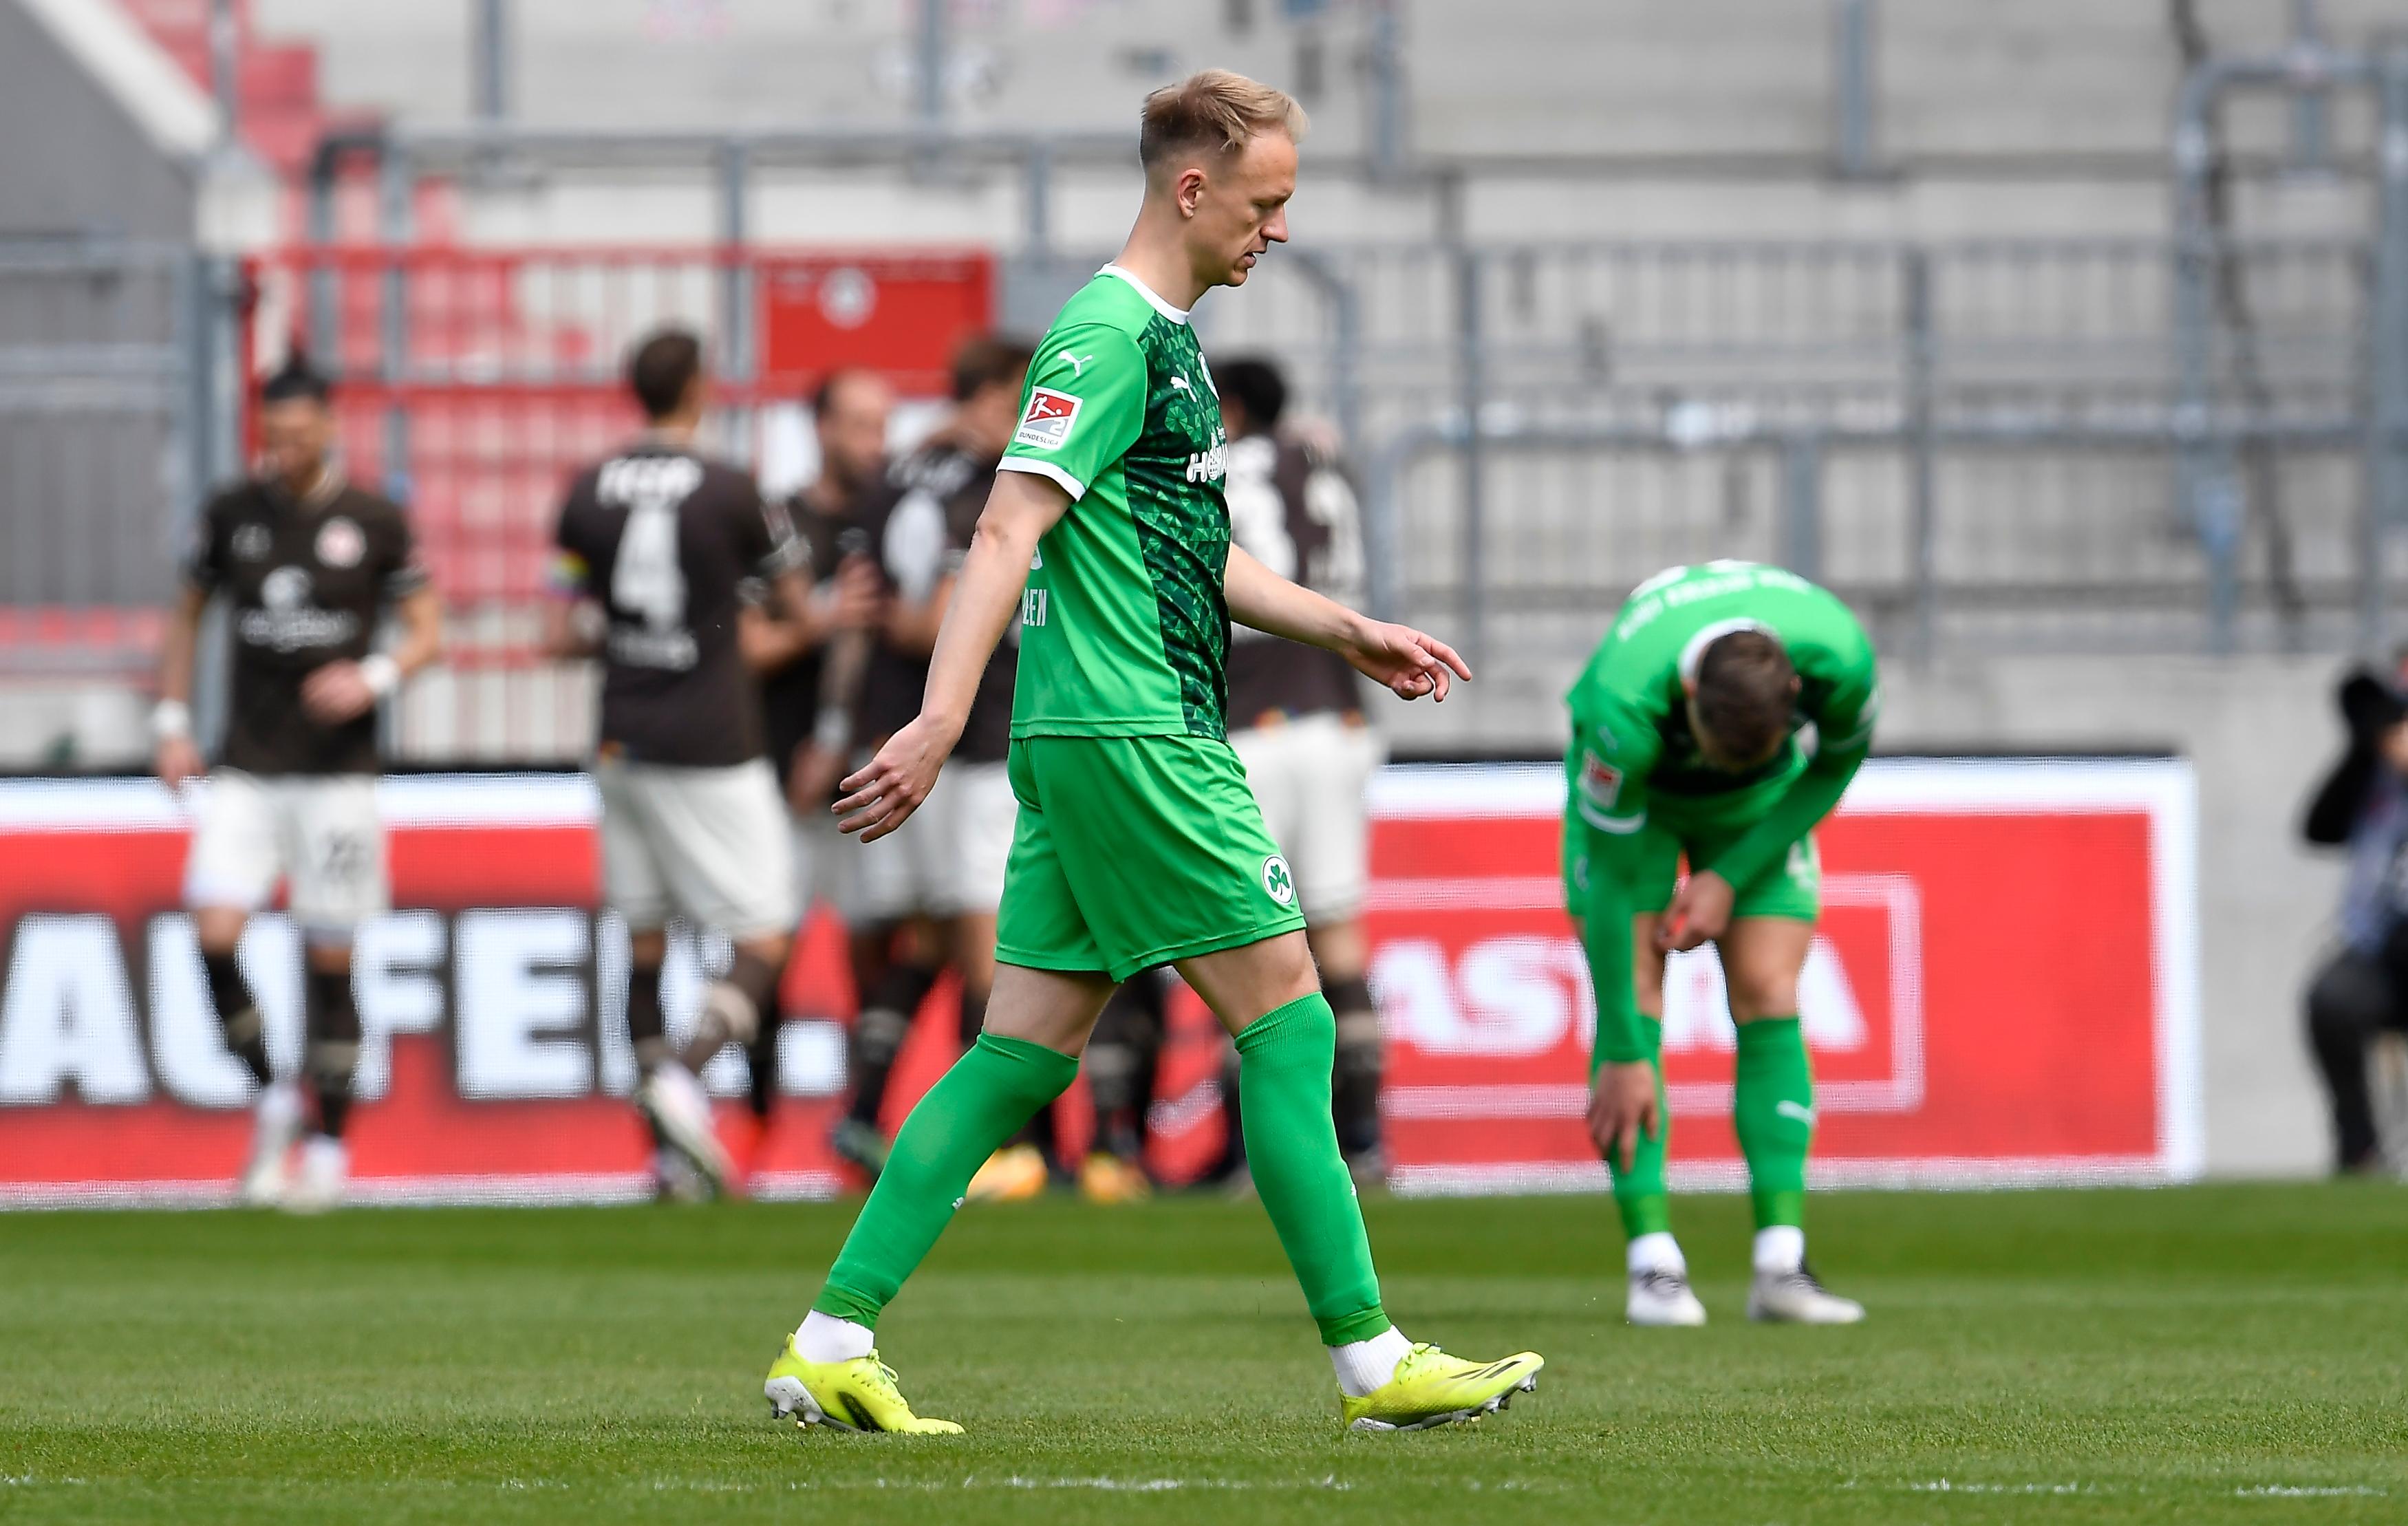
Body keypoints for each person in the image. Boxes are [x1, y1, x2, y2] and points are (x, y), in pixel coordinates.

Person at [762, 69, 1542, 1436]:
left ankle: (830, 1338)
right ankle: (1372, 1358)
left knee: (1019, 1053)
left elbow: (1192, 552)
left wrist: (1347, 628)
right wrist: (939, 720)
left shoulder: (1163, 341)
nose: (1278, 229)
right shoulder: (1107, 334)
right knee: (1292, 1018)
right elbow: (1005, 526)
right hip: (1139, 731)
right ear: (1192, 189)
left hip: (1092, 732)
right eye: (1264, 201)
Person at [153, 357, 443, 1212]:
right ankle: (273, 1099)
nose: (281, 448)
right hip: (247, 767)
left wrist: (373, 676)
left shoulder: (374, 519)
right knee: (213, 933)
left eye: (296, 433)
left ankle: (329, 1149)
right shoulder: (232, 513)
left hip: (337, 776)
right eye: (271, 434)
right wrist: (170, 723)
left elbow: (428, 630)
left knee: (330, 962)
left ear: (327, 428)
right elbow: (186, 613)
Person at [1565, 561, 1875, 1328]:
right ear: (1690, 697)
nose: (1717, 766)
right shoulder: (1622, 705)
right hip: (1644, 803)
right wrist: (1622, 1048)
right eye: (1714, 747)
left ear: (1794, 696)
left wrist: (1729, 877)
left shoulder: (1840, 658)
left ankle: (1781, 1265)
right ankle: (1653, 1267)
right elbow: (1609, 880)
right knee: (1634, 1000)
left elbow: (1836, 763)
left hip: (1759, 807)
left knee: (1771, 988)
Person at [547, 327, 809, 1201]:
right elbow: (794, 604)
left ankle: (665, 1159)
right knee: (765, 932)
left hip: (620, 737)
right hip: (710, 740)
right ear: (698, 388)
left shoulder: (585, 490)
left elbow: (558, 630)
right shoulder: (731, 487)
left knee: (644, 939)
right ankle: (683, 1078)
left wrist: (631, 640)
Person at [839, 336, 1060, 1202]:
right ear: (996, 396)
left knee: (930, 938)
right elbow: (934, 620)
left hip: (895, 733)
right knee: (987, 947)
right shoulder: (981, 481)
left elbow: (864, 601)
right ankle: (997, 1148)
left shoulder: (894, 474)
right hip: (968, 739)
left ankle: (862, 1110)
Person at [1216, 354, 1386, 1181]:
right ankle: (1363, 1138)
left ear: (1229, 406)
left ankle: (1251, 1152)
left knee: (1242, 941)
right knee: (1338, 934)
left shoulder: (1215, 460)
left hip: (1249, 718)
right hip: (1337, 715)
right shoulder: (1322, 462)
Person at [741, 368, 893, 1176]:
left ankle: (861, 1125)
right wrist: (822, 621)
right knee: (768, 954)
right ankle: (749, 1131)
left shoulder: (892, 514)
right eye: (859, 425)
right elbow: (746, 647)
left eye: (883, 425)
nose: (875, 442)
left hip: (871, 780)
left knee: (878, 954)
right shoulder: (778, 522)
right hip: (782, 775)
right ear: (820, 427)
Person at [2301, 656, 2408, 1175]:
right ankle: (2359, 1150)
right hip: (2384, 953)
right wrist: (2369, 743)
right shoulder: (2374, 774)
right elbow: (2318, 827)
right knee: (2331, 1001)